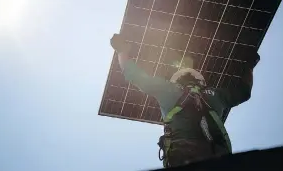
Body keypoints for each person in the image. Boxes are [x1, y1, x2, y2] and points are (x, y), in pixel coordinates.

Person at [110, 33, 260, 168]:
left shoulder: (167, 89)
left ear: (176, 80)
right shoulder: (216, 94)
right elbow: (244, 92)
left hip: (183, 156)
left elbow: (134, 75)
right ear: (201, 80)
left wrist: (122, 51)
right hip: (219, 157)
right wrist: (249, 66)